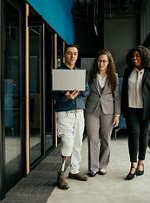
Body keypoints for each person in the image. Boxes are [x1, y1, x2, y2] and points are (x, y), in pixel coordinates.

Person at [52, 44, 90, 190]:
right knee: (68, 143)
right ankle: (61, 174)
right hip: (64, 112)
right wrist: (65, 95)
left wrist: (76, 92)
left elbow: (87, 90)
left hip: (79, 112)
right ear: (64, 55)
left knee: (77, 143)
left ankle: (74, 171)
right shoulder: (58, 72)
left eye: (75, 53)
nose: (72, 56)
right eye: (69, 53)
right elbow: (52, 93)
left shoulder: (80, 72)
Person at [121, 45, 150, 180]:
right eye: (133, 56)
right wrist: (123, 109)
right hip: (131, 108)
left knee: (143, 136)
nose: (134, 58)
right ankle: (132, 165)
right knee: (133, 134)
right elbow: (123, 92)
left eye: (137, 56)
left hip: (146, 110)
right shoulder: (128, 71)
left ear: (144, 56)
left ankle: (141, 163)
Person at [85, 49, 120, 177]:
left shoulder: (114, 76)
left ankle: (103, 165)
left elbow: (117, 96)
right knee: (92, 139)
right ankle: (93, 167)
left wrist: (117, 114)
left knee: (106, 139)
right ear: (96, 62)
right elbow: (85, 92)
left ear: (109, 62)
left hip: (108, 111)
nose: (102, 63)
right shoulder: (90, 74)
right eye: (100, 61)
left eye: (104, 61)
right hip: (91, 110)